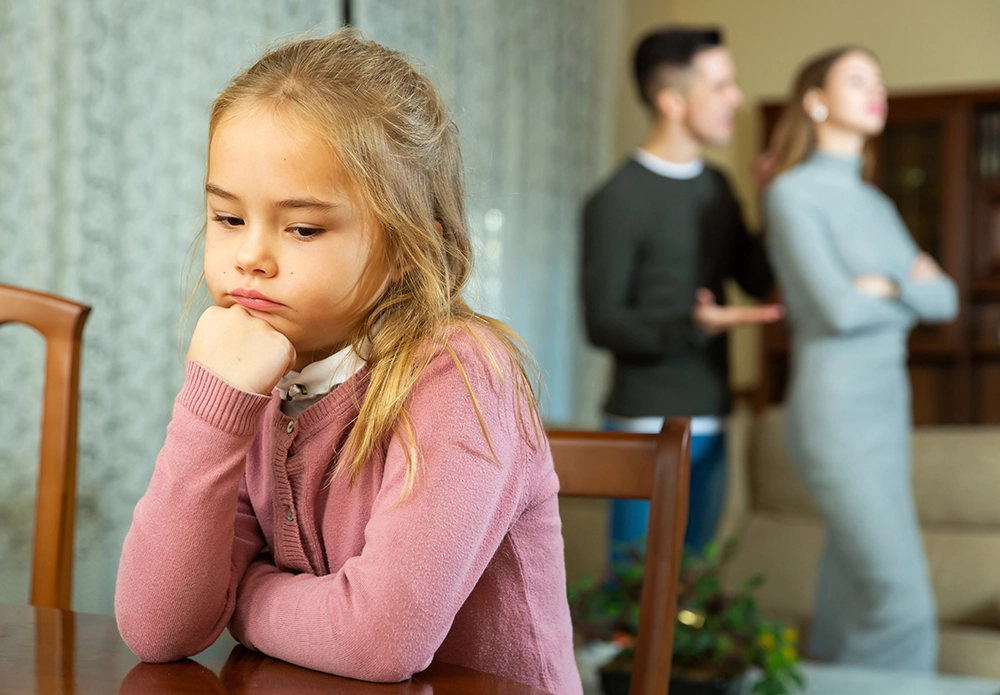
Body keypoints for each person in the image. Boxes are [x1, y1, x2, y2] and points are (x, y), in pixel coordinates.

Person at [114, 30, 582, 695]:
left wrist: (237, 597)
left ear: (410, 248)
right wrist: (211, 409)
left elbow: (379, 639)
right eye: (226, 216)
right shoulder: (261, 377)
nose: (251, 256)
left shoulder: (463, 374)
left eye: (302, 228)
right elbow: (157, 626)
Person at [764, 46, 958, 672]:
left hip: (885, 408)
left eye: (880, 81)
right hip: (835, 411)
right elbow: (838, 311)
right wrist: (910, 289)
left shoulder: (876, 204)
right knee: (901, 601)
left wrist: (888, 287)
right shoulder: (792, 194)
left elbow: (947, 298)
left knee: (849, 590)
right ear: (816, 101)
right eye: (858, 80)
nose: (878, 91)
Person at [582, 28, 782, 554]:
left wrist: (774, 204)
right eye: (720, 86)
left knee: (692, 593)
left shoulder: (717, 187)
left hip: (715, 416)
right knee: (631, 600)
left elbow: (757, 279)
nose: (735, 99)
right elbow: (601, 323)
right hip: (647, 421)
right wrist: (692, 327)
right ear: (671, 100)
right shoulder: (616, 199)